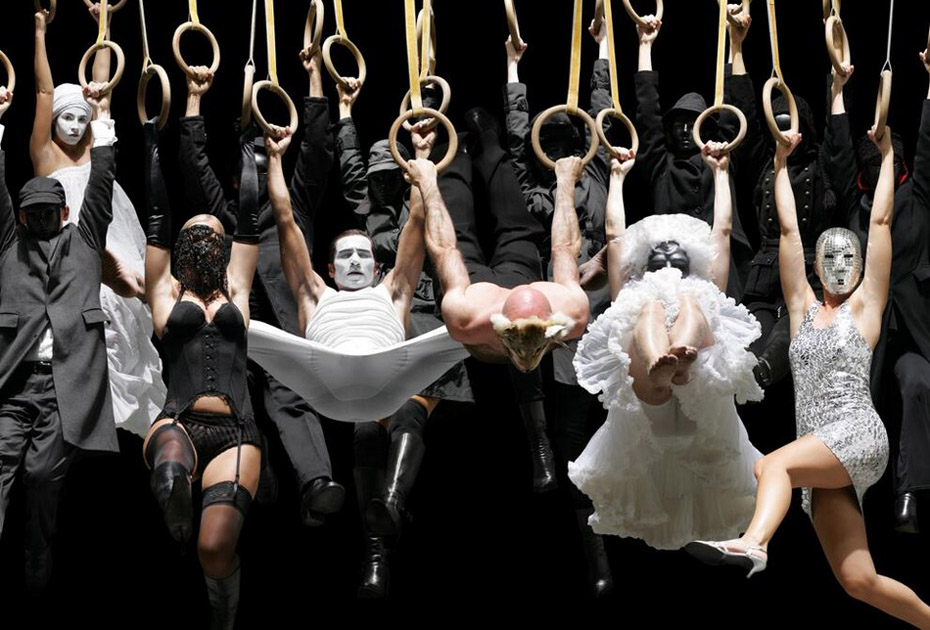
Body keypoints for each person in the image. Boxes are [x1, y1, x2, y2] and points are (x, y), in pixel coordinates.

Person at [687, 127, 930, 629]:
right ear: (816, 267)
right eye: (830, 257)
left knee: (770, 466)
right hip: (820, 452)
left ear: (860, 268)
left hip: (857, 434)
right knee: (859, 580)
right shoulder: (800, 310)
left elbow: (880, 220)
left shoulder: (865, 310)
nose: (840, 264)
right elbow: (789, 232)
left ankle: (753, 544)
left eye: (849, 257)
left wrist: (888, 155)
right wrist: (779, 163)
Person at [176, 45, 343, 528]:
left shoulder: (295, 206)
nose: (259, 179)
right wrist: (193, 98)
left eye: (266, 169)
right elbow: (193, 164)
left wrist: (314, 77)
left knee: (289, 396)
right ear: (236, 183)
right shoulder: (227, 217)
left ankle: (316, 481)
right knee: (237, 402)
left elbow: (317, 152)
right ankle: (258, 468)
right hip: (236, 323)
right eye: (249, 174)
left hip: (286, 320)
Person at [567, 142, 763, 551]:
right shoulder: (635, 293)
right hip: (649, 390)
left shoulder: (703, 288)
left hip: (697, 384)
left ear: (693, 263)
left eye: (678, 261)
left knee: (692, 303)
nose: (669, 267)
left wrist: (721, 173)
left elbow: (722, 232)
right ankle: (661, 364)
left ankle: (679, 362)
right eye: (659, 261)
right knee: (648, 309)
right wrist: (617, 177)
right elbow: (615, 238)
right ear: (644, 265)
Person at [333, 78, 473, 597]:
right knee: (365, 433)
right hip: (377, 331)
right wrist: (345, 112)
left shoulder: (421, 199)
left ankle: (392, 505)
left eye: (389, 177)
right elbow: (350, 166)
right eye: (376, 180)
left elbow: (424, 192)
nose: (381, 185)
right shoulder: (365, 212)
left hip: (425, 327)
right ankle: (376, 551)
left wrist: (423, 134)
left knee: (409, 416)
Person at [501, 18, 614, 595]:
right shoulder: (540, 192)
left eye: (574, 141)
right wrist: (513, 68)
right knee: (569, 444)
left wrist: (602, 48)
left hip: (604, 314)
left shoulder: (599, 173)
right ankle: (595, 555)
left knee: (605, 441)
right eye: (558, 143)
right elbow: (519, 144)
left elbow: (603, 109)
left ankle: (611, 542)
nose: (568, 149)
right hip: (556, 316)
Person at [142, 115, 262, 629]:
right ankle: (175, 495)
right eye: (193, 238)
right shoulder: (165, 290)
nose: (203, 245)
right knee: (171, 471)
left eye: (212, 238)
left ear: (224, 248)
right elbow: (157, 215)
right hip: (178, 421)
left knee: (213, 550)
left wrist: (251, 148)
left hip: (237, 432)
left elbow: (249, 216)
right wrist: (151, 146)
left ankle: (223, 612)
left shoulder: (237, 289)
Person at [0, 82, 118, 593]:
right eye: (35, 214)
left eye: (51, 212)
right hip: (13, 384)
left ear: (64, 213)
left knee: (41, 475)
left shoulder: (85, 239)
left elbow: (102, 185)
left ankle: (38, 550)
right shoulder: (10, 242)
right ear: (23, 216)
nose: (44, 220)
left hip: (62, 388)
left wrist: (103, 121)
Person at [30, 6, 164, 438]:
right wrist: (39, 31)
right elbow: (44, 91)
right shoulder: (45, 156)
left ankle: (114, 409)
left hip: (109, 232)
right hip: (69, 244)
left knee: (122, 314)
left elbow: (102, 85)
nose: (74, 126)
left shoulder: (93, 147)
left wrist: (104, 22)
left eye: (81, 119)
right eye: (66, 118)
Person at [725, 7, 858, 390]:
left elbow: (839, 144)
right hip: (764, 277)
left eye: (791, 125)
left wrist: (837, 87)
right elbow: (744, 114)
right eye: (778, 125)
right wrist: (737, 47)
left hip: (810, 278)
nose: (785, 133)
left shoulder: (822, 168)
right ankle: (751, 378)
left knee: (795, 332)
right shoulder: (764, 164)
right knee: (753, 339)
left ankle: (764, 371)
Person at [824, 56, 926, 534]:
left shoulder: (918, 194)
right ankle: (851, 493)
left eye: (882, 158)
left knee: (917, 384)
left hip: (914, 327)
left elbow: (929, 144)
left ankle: (909, 491)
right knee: (856, 399)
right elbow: (839, 154)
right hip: (866, 326)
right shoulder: (856, 202)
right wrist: (837, 91)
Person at [634, 12, 753, 299]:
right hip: (671, 268)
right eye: (679, 125)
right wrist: (644, 47)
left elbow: (738, 111)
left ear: (707, 128)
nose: (686, 131)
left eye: (693, 123)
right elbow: (647, 115)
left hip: (722, 268)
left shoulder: (721, 161)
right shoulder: (662, 166)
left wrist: (736, 46)